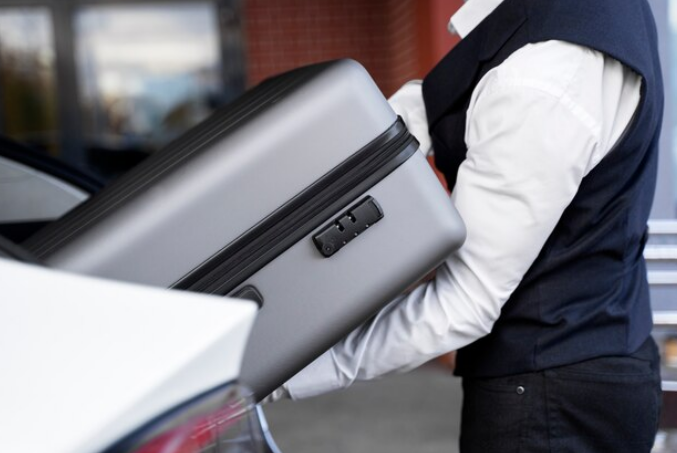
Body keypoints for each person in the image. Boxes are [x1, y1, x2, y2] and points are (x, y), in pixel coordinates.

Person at [269, 0, 663, 451]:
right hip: (588, 364)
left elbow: (463, 303)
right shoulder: (554, 28)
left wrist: (280, 373)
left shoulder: (545, 72)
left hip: (551, 402)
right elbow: (453, 100)